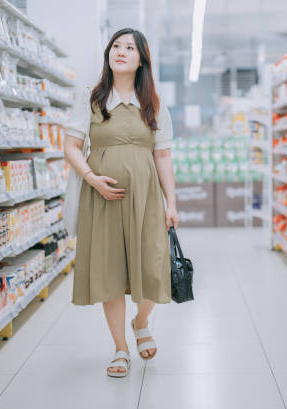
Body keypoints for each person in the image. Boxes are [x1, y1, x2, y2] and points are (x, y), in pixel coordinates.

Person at [63, 28, 179, 378]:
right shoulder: (91, 98)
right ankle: (120, 349)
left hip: (146, 199)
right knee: (110, 273)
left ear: (142, 58)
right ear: (108, 54)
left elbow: (162, 156)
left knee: (153, 266)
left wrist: (171, 203)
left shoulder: (153, 104)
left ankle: (141, 320)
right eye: (116, 46)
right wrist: (91, 179)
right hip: (102, 199)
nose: (121, 51)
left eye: (130, 47)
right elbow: (70, 146)